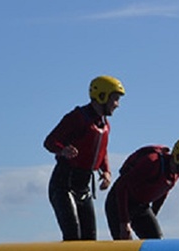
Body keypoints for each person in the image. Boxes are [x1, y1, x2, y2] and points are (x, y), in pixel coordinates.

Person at [44, 75, 124, 241]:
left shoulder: (105, 125)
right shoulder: (77, 117)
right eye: (114, 99)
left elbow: (102, 150)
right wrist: (63, 150)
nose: (117, 105)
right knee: (73, 235)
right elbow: (49, 142)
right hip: (63, 185)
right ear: (102, 96)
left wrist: (106, 172)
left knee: (89, 239)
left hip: (84, 186)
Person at [105, 138, 179, 240]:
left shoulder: (174, 174)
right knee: (124, 246)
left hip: (141, 207)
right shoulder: (152, 162)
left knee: (156, 243)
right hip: (118, 203)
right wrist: (124, 222)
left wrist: (152, 218)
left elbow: (162, 193)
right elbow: (122, 187)